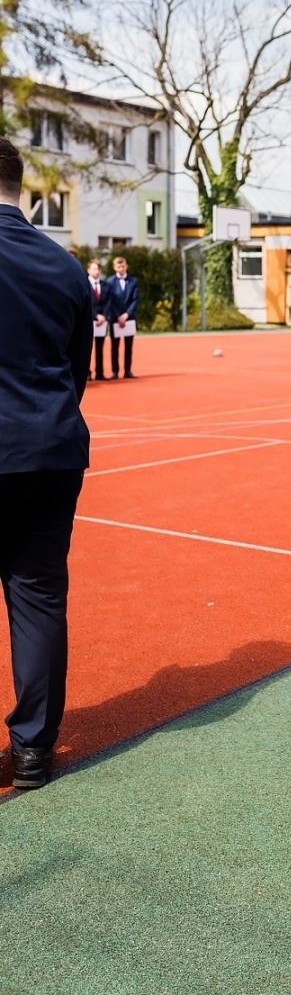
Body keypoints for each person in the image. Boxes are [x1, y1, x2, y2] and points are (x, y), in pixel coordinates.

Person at [0, 137, 92, 788]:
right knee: (38, 597)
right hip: (51, 449)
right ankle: (33, 748)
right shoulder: (65, 265)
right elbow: (76, 370)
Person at [105, 255, 139, 379]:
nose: (121, 268)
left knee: (128, 347)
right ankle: (115, 371)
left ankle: (127, 371)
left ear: (126, 266)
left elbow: (135, 300)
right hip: (115, 318)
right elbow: (109, 301)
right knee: (114, 347)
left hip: (129, 318)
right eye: (119, 266)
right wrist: (117, 315)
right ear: (114, 267)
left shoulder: (133, 281)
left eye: (123, 266)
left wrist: (126, 314)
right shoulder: (109, 282)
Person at [87, 259, 109, 380]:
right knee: (86, 348)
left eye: (99, 269)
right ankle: (86, 373)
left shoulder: (105, 285)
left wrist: (104, 316)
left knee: (100, 348)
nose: (97, 271)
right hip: (88, 320)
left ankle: (99, 372)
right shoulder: (84, 284)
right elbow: (86, 302)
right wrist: (96, 315)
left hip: (102, 322)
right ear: (89, 270)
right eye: (94, 269)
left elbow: (108, 302)